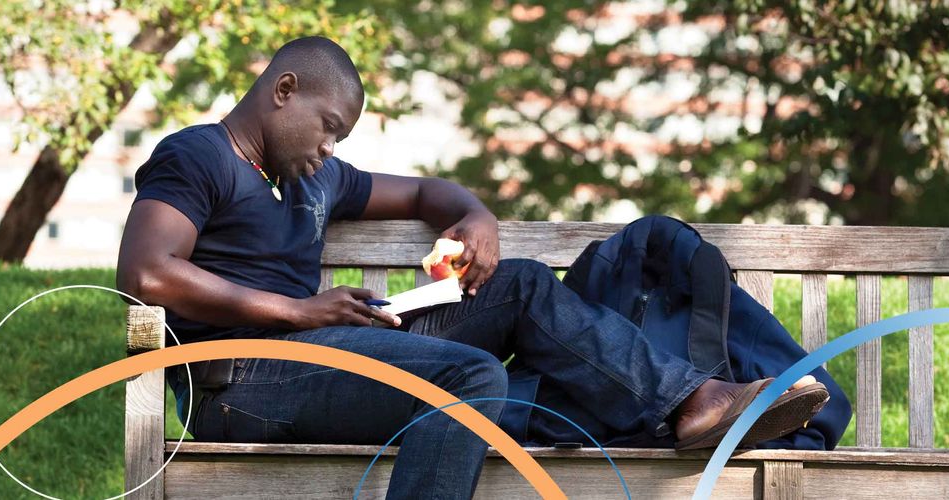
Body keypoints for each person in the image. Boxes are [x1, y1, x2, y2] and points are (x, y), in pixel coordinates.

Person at [116, 36, 827, 499]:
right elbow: (145, 273)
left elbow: (429, 194)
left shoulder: (315, 181)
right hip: (242, 386)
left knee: (516, 283)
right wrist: (299, 311)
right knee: (472, 376)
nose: (332, 148)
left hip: (322, 359)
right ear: (283, 91)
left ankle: (690, 401)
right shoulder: (200, 156)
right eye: (329, 126)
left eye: (343, 138)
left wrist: (477, 217)